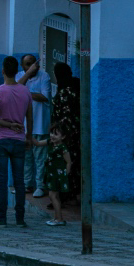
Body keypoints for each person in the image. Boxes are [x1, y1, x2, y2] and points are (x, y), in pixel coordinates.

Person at [0, 57, 33, 227]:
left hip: (0, 140)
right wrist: (29, 136)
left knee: (2, 180)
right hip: (19, 139)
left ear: (3, 71)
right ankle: (20, 218)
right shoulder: (25, 91)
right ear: (17, 70)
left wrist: (7, 124)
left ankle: (1, 217)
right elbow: (30, 116)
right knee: (19, 182)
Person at [20, 54, 53, 197]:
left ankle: (40, 185)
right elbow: (14, 90)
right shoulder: (20, 76)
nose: (32, 66)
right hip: (23, 127)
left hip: (40, 124)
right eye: (28, 64)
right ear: (23, 66)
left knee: (40, 159)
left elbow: (45, 97)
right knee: (26, 158)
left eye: (33, 63)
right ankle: (27, 184)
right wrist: (26, 76)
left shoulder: (44, 76)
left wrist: (25, 92)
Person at [51, 61, 81, 197]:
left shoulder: (64, 91)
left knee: (64, 162)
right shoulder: (76, 86)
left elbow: (60, 114)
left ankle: (63, 194)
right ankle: (74, 192)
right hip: (76, 131)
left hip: (64, 133)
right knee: (74, 161)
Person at [35, 125, 74, 226]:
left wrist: (65, 175)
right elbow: (38, 143)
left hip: (58, 175)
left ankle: (59, 219)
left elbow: (68, 162)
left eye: (56, 134)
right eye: (52, 133)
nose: (52, 136)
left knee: (53, 196)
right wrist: (28, 135)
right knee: (54, 196)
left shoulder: (62, 148)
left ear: (63, 137)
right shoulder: (50, 143)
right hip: (51, 174)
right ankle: (57, 218)